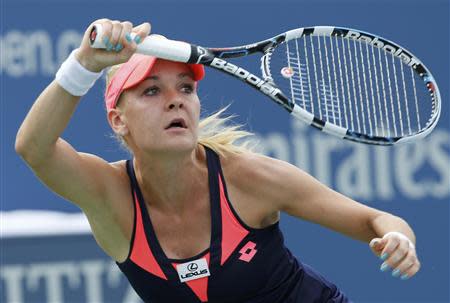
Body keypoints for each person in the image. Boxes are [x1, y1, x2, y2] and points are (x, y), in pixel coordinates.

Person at [15, 19, 421, 303]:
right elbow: (34, 147)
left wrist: (398, 240)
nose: (176, 99)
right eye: (151, 91)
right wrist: (83, 65)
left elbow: (375, 221)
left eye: (186, 88)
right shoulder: (109, 195)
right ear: (119, 119)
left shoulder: (249, 177)